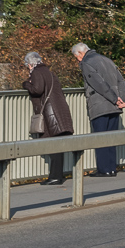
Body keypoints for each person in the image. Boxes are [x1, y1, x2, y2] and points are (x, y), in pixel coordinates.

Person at [71, 43, 125, 177]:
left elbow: (98, 84)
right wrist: (121, 99)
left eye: (76, 57)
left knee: (100, 138)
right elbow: (121, 81)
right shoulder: (107, 60)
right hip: (114, 107)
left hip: (100, 106)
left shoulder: (86, 63)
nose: (77, 60)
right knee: (112, 138)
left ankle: (104, 169)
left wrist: (114, 99)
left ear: (80, 53)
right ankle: (112, 168)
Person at [23, 52, 74, 185]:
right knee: (58, 145)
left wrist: (26, 84)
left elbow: (37, 89)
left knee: (53, 146)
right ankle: (57, 176)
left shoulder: (36, 72)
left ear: (30, 64)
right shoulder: (50, 72)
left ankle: (55, 177)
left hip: (50, 114)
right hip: (60, 112)